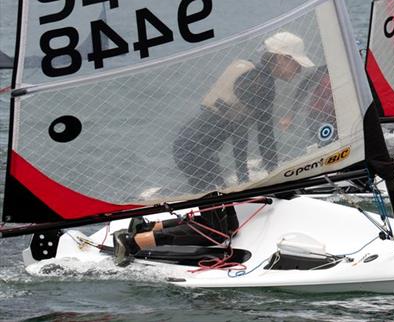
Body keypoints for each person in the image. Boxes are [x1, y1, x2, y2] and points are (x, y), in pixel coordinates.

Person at [173, 32, 314, 189]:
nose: (300, 70)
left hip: (188, 145)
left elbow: (242, 129)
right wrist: (267, 177)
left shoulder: (251, 71)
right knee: (219, 201)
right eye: (297, 63)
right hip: (195, 150)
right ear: (282, 58)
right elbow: (263, 135)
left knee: (214, 197)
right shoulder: (261, 83)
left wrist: (247, 177)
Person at [112, 196, 240, 267]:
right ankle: (131, 241)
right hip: (203, 164)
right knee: (216, 234)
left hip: (210, 164)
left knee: (231, 228)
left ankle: (147, 227)